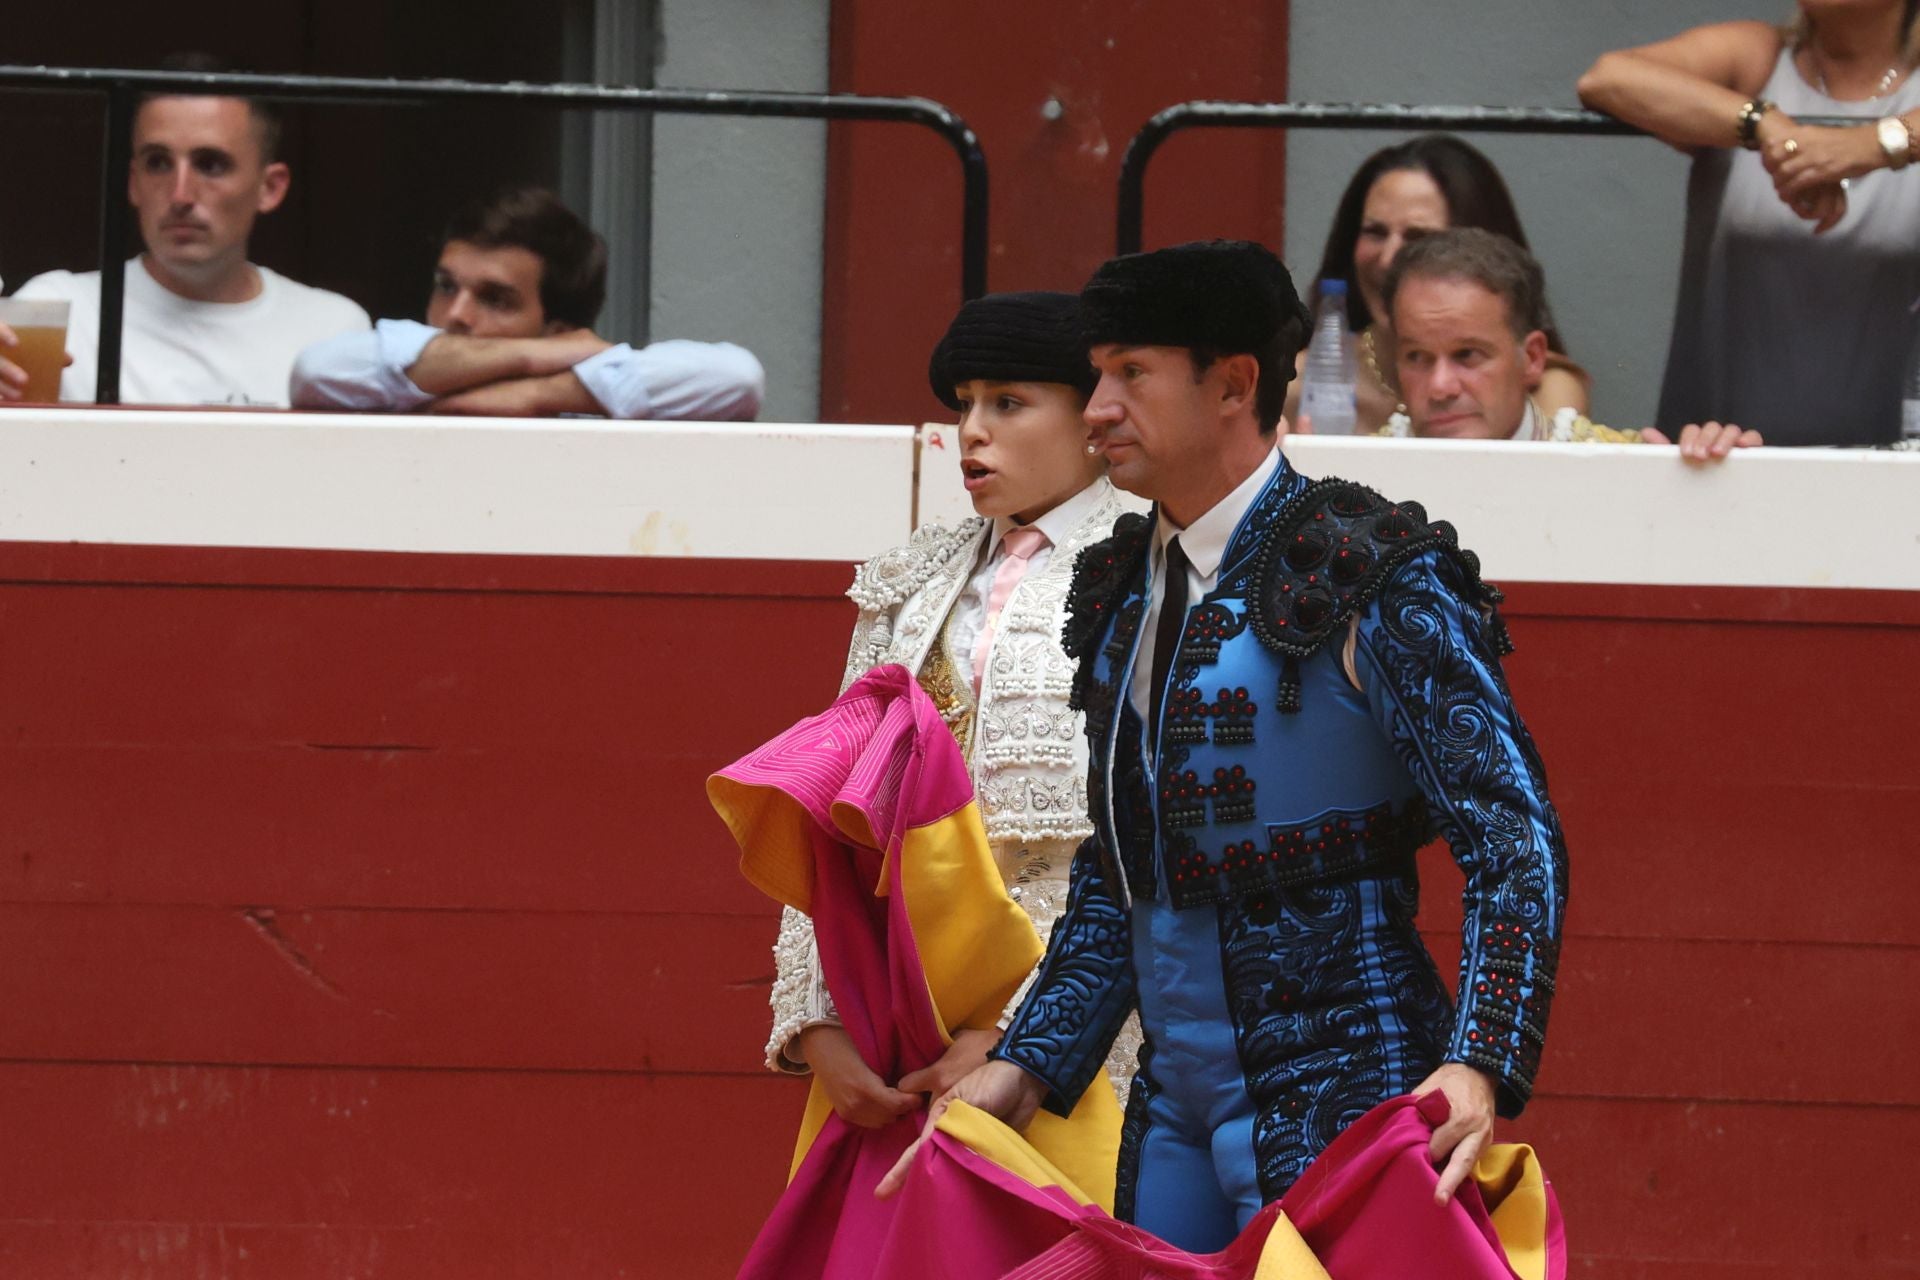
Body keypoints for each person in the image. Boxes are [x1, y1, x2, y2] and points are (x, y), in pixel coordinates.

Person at [881, 240, 1569, 1254]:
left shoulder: (1365, 568)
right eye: (1096, 372)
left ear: (1234, 384)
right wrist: (1024, 1062)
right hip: (1175, 1113)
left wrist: (1478, 1059)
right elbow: (1122, 875)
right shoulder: (1120, 586)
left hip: (1347, 1094)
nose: (1098, 402)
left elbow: (1513, 835)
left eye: (1130, 373)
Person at [767, 290, 1139, 1130]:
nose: (972, 430)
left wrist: (1024, 1035)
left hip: (1098, 1037)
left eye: (1008, 403)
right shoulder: (911, 584)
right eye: (965, 404)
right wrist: (821, 1015)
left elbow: (1138, 853)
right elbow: (832, 820)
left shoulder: (1153, 572)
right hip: (903, 1019)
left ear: (1095, 417)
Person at [1578, 2, 1920, 446]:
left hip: (1895, 470)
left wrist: (1875, 143)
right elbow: (1607, 78)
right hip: (1721, 450)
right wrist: (1767, 126)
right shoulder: (1759, 56)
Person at [7, 54, 369, 407]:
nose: (180, 195)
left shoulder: (331, 330)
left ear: (269, 187)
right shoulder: (59, 311)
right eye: (158, 163)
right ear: (133, 182)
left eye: (210, 164)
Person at [290, 187, 763, 420]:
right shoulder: (389, 382)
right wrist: (527, 354)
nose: (456, 315)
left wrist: (534, 393)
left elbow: (736, 379)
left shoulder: (582, 398)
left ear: (560, 330)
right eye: (447, 286)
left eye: (495, 299)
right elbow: (315, 371)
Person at [1287, 134, 1591, 435]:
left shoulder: (1550, 387)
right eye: (1375, 232)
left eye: (1418, 238)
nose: (1388, 259)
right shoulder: (1295, 381)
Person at [1382, 228, 1763, 460]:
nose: (1440, 386)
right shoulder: (1351, 475)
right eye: (1417, 357)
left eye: (1467, 355)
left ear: (1532, 358)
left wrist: (1728, 473)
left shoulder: (1622, 464)